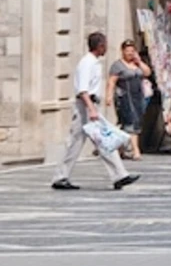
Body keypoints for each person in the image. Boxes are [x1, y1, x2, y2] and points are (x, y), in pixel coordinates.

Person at [52, 32, 140, 191]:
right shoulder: (87, 63)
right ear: (100, 46)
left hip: (91, 107)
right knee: (76, 143)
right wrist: (91, 109)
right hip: (86, 107)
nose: (106, 47)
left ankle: (119, 175)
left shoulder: (94, 63)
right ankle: (61, 176)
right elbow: (82, 90)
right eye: (105, 44)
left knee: (104, 141)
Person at [107, 40, 151, 160]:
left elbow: (147, 72)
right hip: (125, 97)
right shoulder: (118, 66)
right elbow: (111, 81)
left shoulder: (136, 64)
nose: (130, 53)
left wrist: (139, 61)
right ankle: (136, 151)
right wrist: (109, 96)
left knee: (131, 123)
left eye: (132, 51)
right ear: (122, 51)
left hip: (138, 97)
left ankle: (119, 147)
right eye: (127, 51)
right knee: (131, 123)